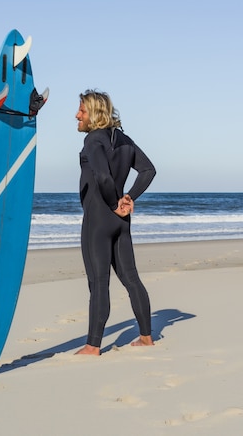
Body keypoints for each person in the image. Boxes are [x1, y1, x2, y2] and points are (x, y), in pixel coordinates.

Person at [75, 90, 156, 355]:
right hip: (120, 222)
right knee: (131, 278)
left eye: (82, 111)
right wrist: (128, 199)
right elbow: (148, 170)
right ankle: (146, 337)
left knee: (98, 283)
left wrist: (112, 204)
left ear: (95, 114)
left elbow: (103, 177)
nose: (77, 115)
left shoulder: (93, 140)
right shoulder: (124, 139)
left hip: (98, 218)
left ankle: (92, 346)